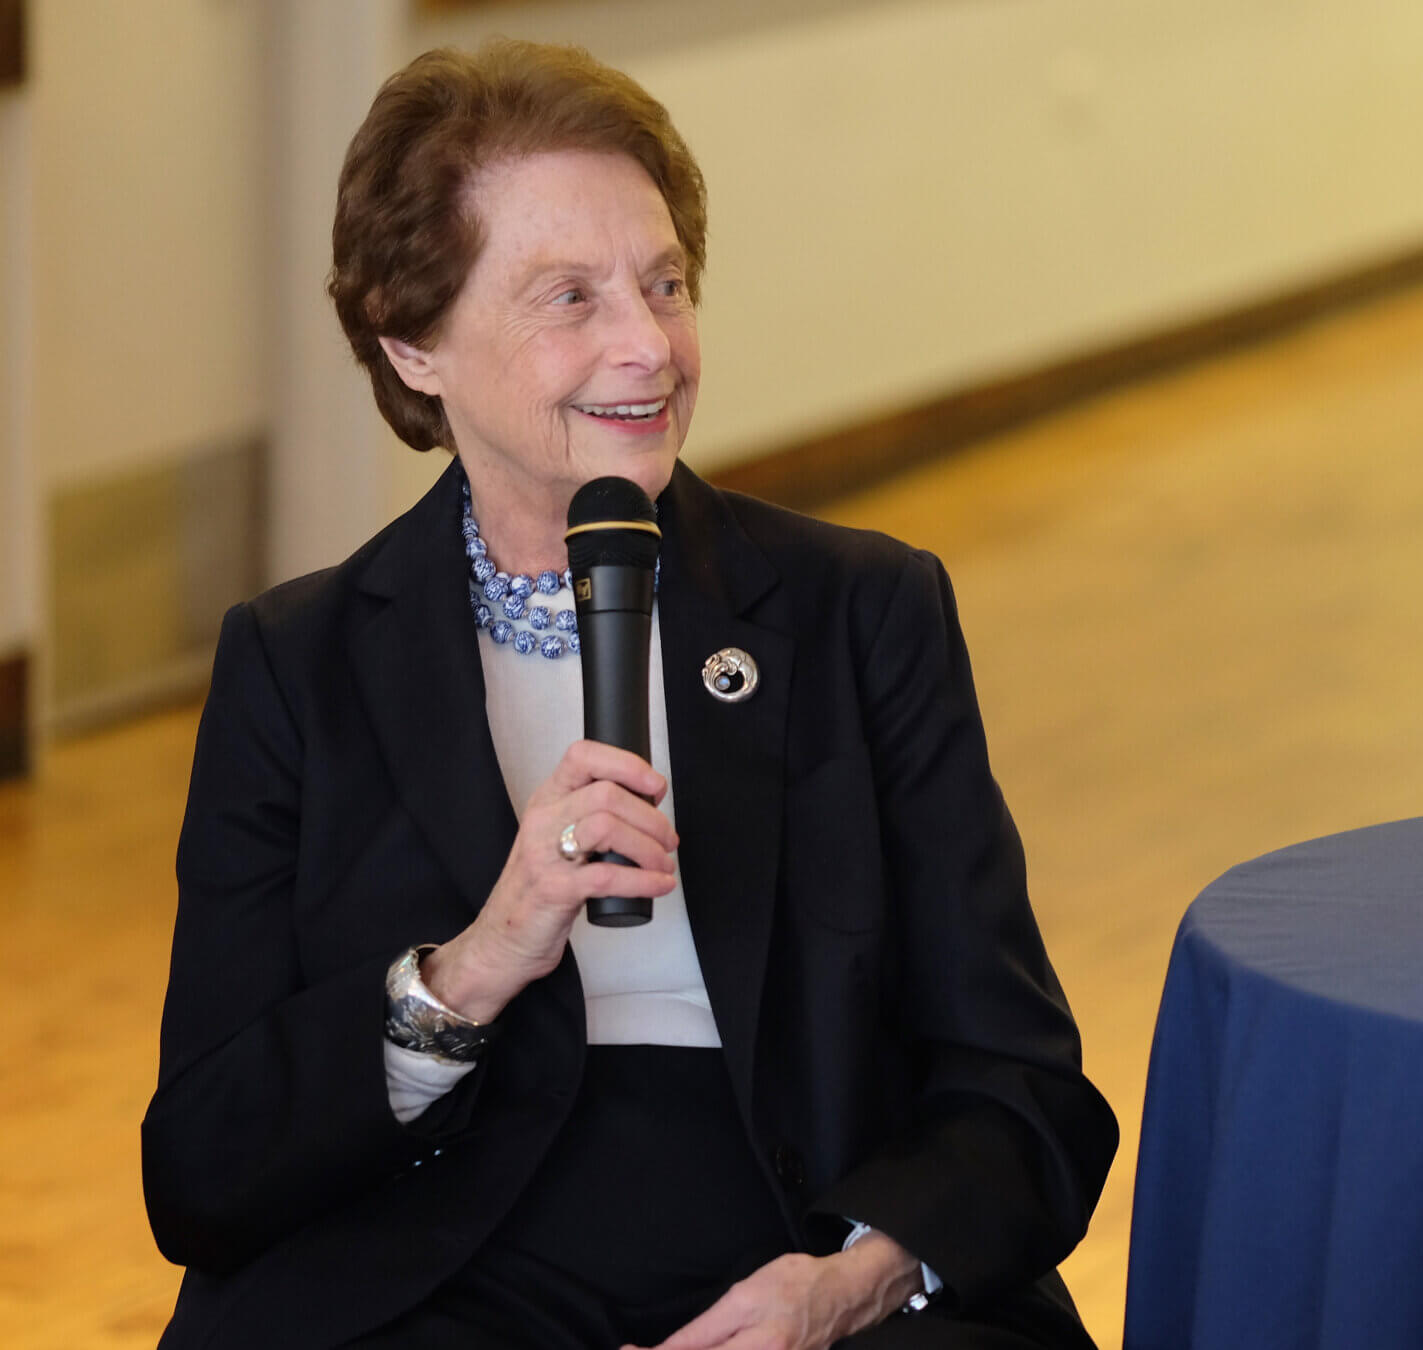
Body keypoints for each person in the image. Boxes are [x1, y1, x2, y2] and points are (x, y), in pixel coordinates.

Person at [140, 39, 1115, 1350]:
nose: (648, 346)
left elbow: (1023, 1083)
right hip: (441, 1258)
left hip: (801, 1226)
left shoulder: (859, 611)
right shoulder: (297, 662)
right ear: (413, 341)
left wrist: (846, 1281)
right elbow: (203, 1164)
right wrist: (476, 961)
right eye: (571, 297)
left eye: (666, 283)